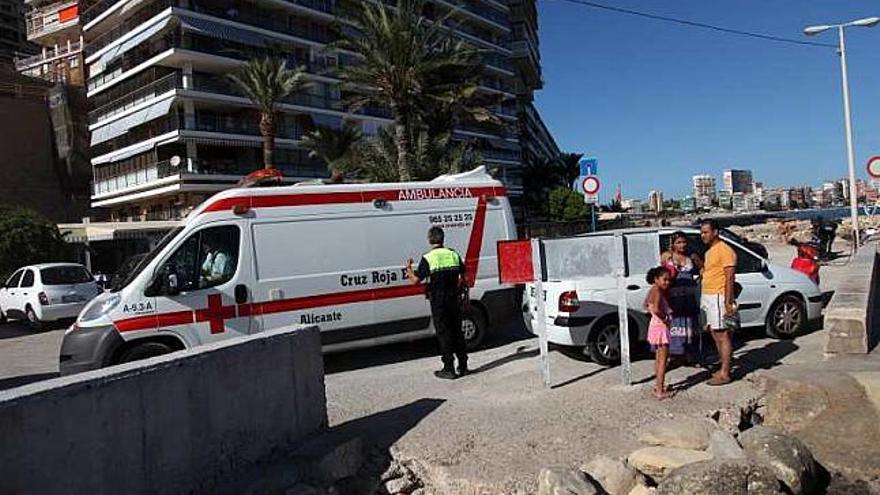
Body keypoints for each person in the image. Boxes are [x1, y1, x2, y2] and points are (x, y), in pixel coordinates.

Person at [406, 226, 469, 380]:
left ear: (430, 239)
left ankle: (449, 368)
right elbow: (464, 275)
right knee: (457, 332)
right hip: (454, 298)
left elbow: (415, 280)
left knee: (444, 333)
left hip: (439, 301)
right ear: (443, 238)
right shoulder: (453, 254)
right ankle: (464, 366)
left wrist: (408, 268)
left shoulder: (428, 257)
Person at [699, 219, 738, 386]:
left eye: (706, 232)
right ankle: (723, 366)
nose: (703, 235)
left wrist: (728, 302)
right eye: (701, 232)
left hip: (719, 296)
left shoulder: (725, 250)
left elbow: (729, 277)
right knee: (715, 333)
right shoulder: (710, 252)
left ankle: (725, 373)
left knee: (723, 334)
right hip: (708, 295)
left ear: (715, 232)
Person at [660, 232, 703, 365]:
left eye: (684, 242)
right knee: (674, 324)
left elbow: (703, 268)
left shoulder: (692, 257)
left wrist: (699, 281)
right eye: (678, 242)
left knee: (689, 323)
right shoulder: (667, 257)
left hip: (689, 296)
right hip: (673, 297)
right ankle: (674, 355)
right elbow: (661, 274)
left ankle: (689, 354)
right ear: (673, 244)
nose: (682, 245)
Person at [645, 266, 673, 400]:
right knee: (663, 360)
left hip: (654, 325)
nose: (667, 282)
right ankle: (660, 390)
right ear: (656, 279)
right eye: (664, 279)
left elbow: (646, 305)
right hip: (661, 326)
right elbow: (655, 309)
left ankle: (658, 385)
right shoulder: (657, 291)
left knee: (658, 358)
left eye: (669, 280)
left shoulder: (652, 290)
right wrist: (665, 318)